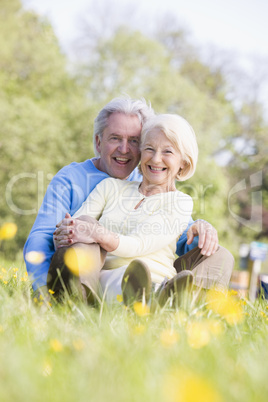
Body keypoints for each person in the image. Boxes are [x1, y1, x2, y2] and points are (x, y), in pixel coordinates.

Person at [23, 96, 232, 298]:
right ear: (98, 142)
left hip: (146, 269)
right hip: (89, 266)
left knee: (220, 255)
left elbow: (172, 227)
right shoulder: (74, 178)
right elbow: (42, 236)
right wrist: (43, 291)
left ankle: (185, 301)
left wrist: (200, 230)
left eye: (133, 141)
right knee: (83, 225)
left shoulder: (145, 177)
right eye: (115, 138)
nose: (124, 149)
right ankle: (80, 294)